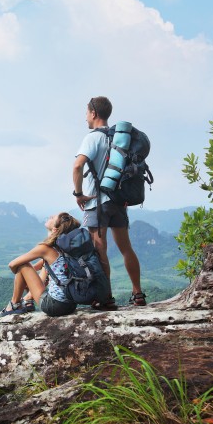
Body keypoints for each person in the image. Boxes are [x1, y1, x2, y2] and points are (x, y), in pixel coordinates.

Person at [72, 96, 147, 309]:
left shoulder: (92, 138)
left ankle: (106, 297)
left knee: (99, 249)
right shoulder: (118, 139)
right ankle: (138, 293)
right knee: (126, 248)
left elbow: (77, 166)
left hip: (97, 202)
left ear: (94, 113)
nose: (85, 117)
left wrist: (78, 194)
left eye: (86, 113)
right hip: (119, 200)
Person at [0, 212, 79, 317]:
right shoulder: (66, 247)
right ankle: (27, 299)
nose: (50, 216)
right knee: (44, 267)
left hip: (54, 306)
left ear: (54, 230)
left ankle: (14, 304)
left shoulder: (46, 249)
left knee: (23, 265)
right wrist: (30, 279)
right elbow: (40, 266)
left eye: (53, 218)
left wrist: (21, 275)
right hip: (71, 304)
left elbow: (12, 264)